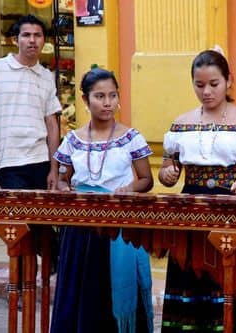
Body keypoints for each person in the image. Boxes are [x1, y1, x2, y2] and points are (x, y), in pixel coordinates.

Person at [158, 49, 236, 331]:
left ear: (228, 81)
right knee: (191, 277)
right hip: (190, 211)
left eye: (214, 84)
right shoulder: (181, 123)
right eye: (199, 85)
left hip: (234, 208)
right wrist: (168, 175)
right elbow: (165, 170)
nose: (206, 92)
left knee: (230, 279)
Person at [50, 67, 154, 333]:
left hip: (118, 224)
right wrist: (63, 187)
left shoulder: (131, 137)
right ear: (84, 100)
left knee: (111, 286)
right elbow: (62, 177)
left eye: (112, 95)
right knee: (81, 285)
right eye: (99, 96)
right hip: (80, 228)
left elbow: (146, 180)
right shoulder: (72, 140)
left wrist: (129, 189)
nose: (108, 103)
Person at [0, 14, 60, 190]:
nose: (32, 40)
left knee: (40, 217)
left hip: (41, 161)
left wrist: (54, 169)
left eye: (37, 35)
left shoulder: (46, 76)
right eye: (26, 35)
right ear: (15, 40)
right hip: (8, 163)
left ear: (44, 40)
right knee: (18, 216)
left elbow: (52, 124)